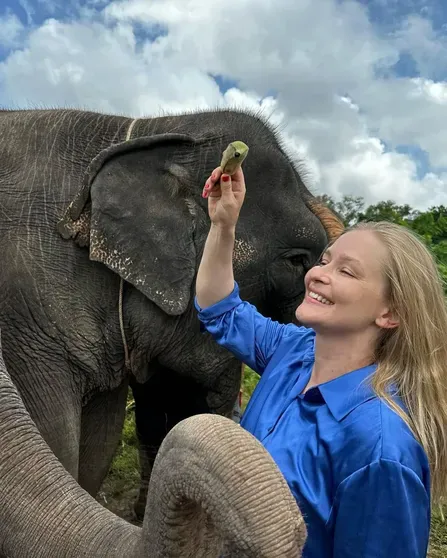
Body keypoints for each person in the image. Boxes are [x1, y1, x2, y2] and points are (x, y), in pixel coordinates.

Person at [195, 165, 447, 557]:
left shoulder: (380, 448)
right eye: (325, 260)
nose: (317, 275)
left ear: (389, 313)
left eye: (345, 271)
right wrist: (224, 224)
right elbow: (220, 309)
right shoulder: (294, 352)